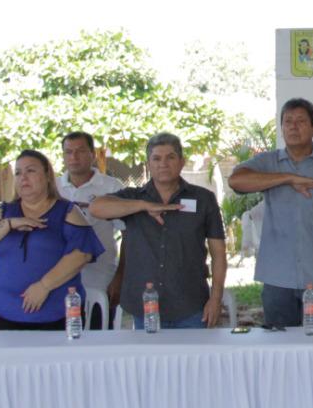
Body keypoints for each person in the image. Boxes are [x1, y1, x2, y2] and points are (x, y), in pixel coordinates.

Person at [228, 98, 313, 327]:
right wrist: (288, 178)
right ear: (281, 128)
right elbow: (236, 181)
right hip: (277, 279)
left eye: (301, 121)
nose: (293, 126)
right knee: (280, 353)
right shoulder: (268, 162)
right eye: (287, 121)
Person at [92, 133, 228, 328]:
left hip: (190, 306)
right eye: (156, 158)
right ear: (148, 163)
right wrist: (143, 206)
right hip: (144, 307)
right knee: (148, 360)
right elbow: (97, 207)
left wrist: (215, 299)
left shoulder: (203, 199)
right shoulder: (132, 197)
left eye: (170, 157)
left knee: (191, 360)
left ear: (181, 162)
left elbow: (219, 254)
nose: (163, 164)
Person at [0, 150, 103, 331]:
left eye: (30, 171)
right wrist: (7, 225)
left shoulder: (67, 211)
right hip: (6, 315)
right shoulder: (4, 212)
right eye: (18, 173)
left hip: (55, 316)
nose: (23, 177)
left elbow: (82, 254)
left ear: (47, 176)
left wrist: (43, 286)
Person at [57, 131, 125, 329]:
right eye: (68, 152)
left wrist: (120, 278)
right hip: (58, 284)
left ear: (92, 154)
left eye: (80, 151)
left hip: (101, 280)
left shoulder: (112, 187)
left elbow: (128, 234)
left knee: (99, 345)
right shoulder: (52, 188)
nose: (74, 157)